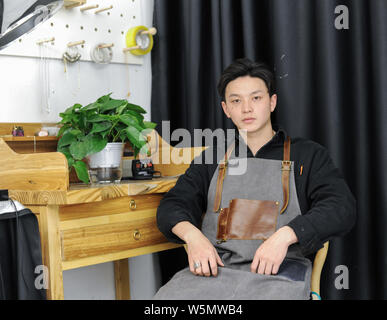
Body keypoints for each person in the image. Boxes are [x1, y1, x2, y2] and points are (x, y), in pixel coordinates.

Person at [153, 58, 356, 300]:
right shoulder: (212, 158)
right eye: (236, 101)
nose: (246, 108)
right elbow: (172, 205)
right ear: (226, 109)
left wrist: (285, 236)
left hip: (280, 273)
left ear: (272, 102)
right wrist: (193, 237)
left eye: (256, 98)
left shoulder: (308, 155)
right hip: (215, 271)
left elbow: (341, 208)